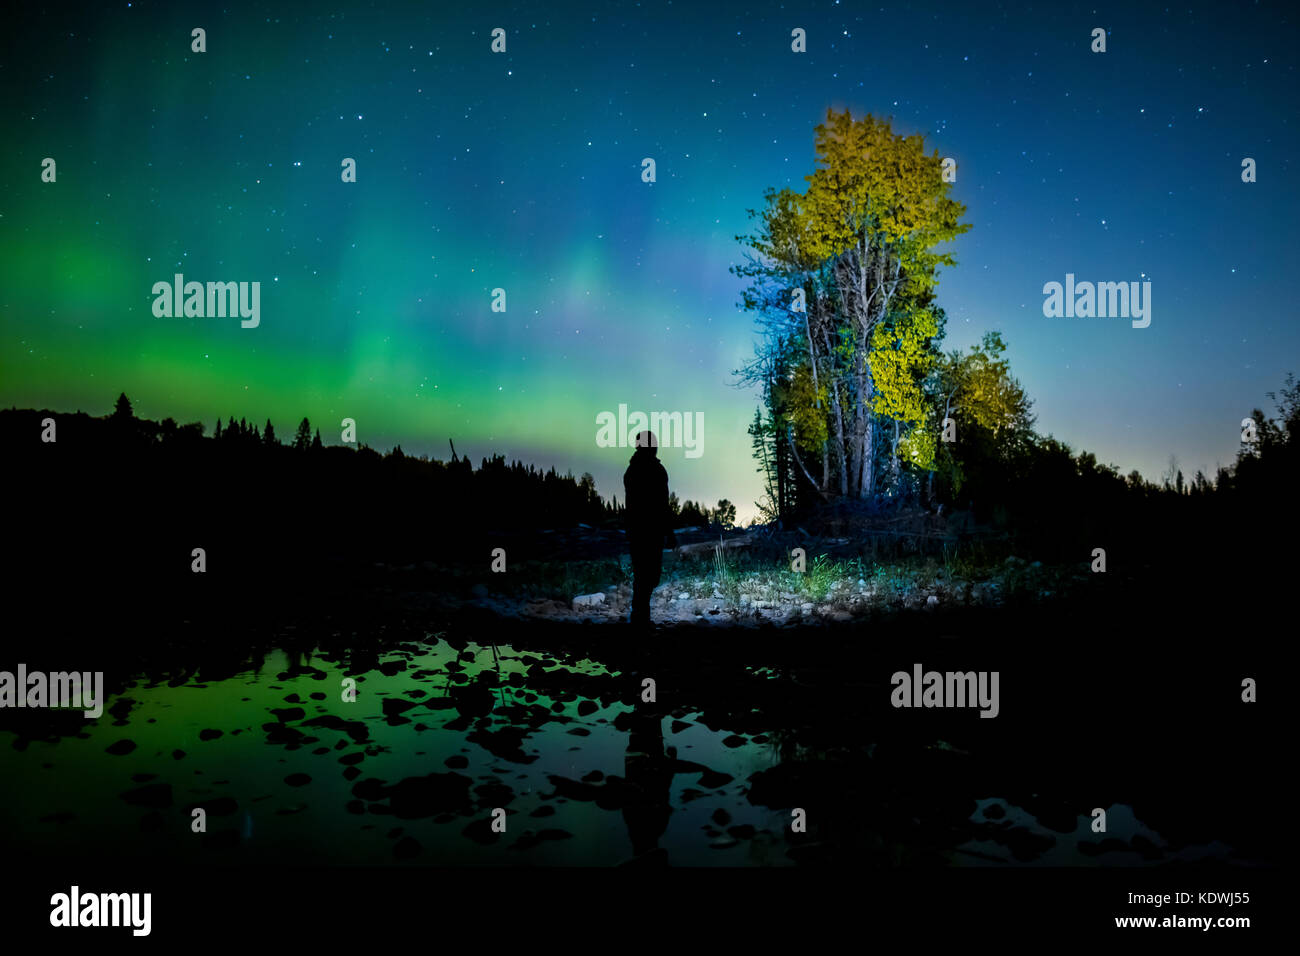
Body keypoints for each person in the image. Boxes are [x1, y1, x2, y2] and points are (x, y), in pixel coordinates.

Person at [623, 431, 674, 627]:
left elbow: (661, 503)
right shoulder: (653, 470)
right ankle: (640, 616)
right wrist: (668, 532)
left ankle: (639, 615)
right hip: (649, 530)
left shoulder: (633, 470)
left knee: (645, 574)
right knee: (648, 574)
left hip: (641, 530)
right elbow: (662, 504)